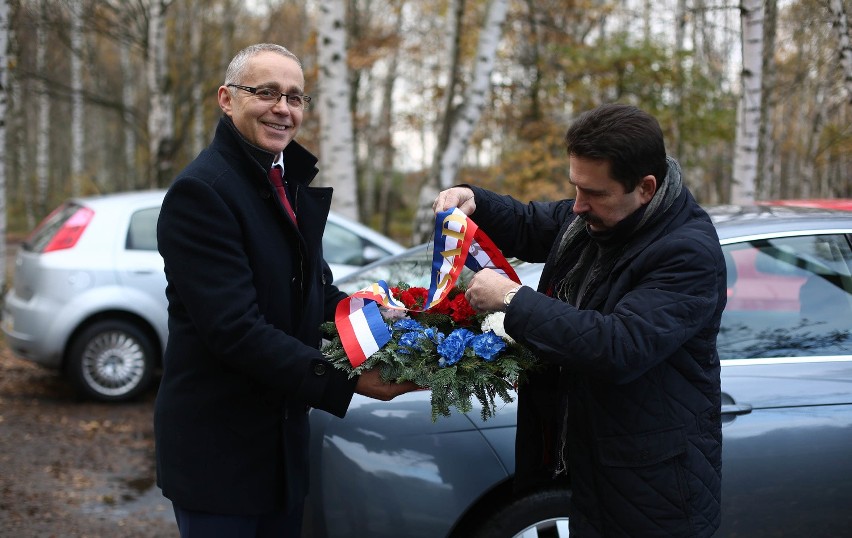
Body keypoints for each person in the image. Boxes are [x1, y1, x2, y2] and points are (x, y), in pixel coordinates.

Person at [155, 43, 416, 538]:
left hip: (282, 446)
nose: (284, 108)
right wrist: (348, 382)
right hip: (221, 455)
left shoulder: (282, 178)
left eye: (295, 97)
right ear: (227, 99)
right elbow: (235, 330)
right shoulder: (203, 193)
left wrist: (383, 320)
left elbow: (312, 293)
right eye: (267, 92)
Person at [435, 103, 726, 537]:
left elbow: (617, 346)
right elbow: (532, 223)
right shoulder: (601, 220)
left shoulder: (687, 253)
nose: (577, 206)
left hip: (654, 493)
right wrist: (474, 199)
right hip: (590, 471)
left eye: (594, 193)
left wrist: (512, 299)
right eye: (575, 187)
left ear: (646, 188)